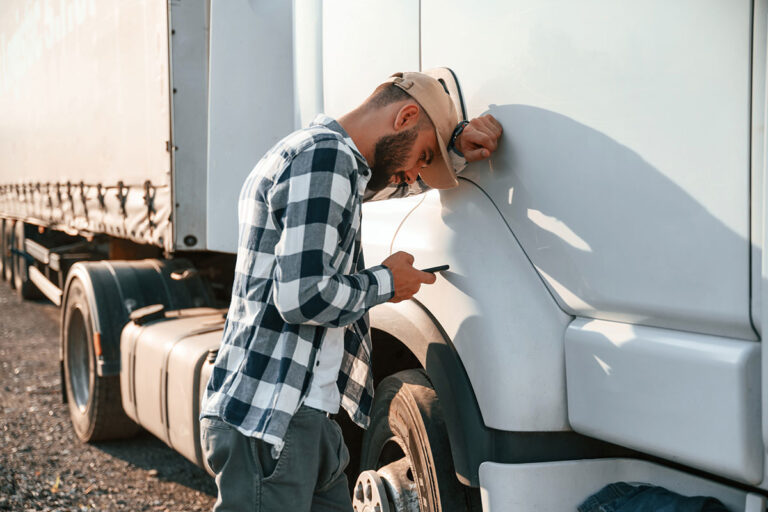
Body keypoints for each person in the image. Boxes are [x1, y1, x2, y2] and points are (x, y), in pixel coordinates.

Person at [200, 71, 503, 511]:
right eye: (423, 155)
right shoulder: (323, 159)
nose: (415, 171)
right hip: (274, 418)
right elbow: (302, 296)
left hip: (303, 417)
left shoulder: (322, 157)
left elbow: (388, 181)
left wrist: (452, 148)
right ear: (406, 116)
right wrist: (388, 282)